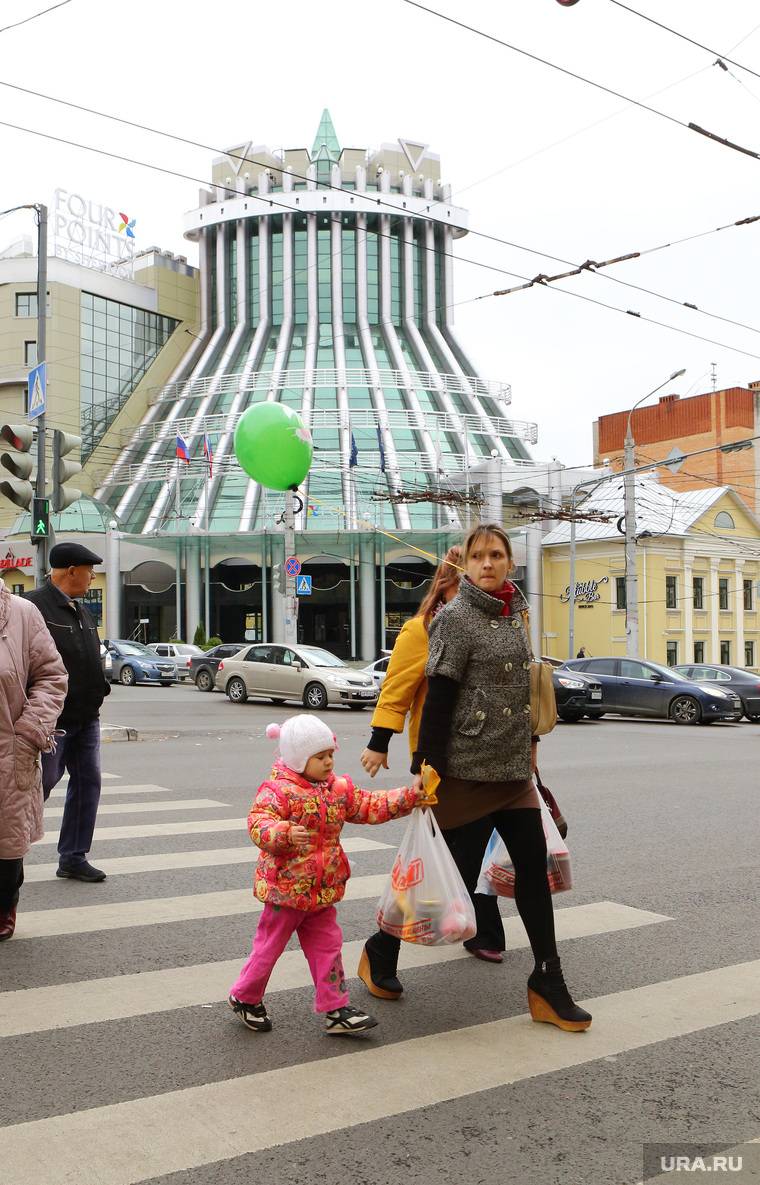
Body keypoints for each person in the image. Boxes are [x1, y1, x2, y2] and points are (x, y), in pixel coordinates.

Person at [409, 522, 592, 1031]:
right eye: (477, 556)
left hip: (511, 773)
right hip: (464, 771)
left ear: (510, 562)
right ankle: (380, 951)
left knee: (533, 867)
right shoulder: (455, 618)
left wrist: (530, 751)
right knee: (450, 877)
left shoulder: (515, 616)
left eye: (496, 554)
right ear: (464, 566)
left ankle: (548, 982)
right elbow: (440, 695)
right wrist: (426, 761)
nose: (487, 563)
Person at [358, 547, 507, 1003]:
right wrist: (379, 740)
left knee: (481, 850)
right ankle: (381, 948)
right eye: (464, 578)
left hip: (493, 759)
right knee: (445, 856)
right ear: (444, 583)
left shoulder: (498, 622)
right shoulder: (421, 629)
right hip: (442, 761)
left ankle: (481, 929)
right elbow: (398, 686)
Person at [228, 714, 426, 1036]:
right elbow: (258, 823)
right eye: (319, 757)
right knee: (269, 947)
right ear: (297, 759)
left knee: (328, 947)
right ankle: (245, 996)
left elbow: (369, 805)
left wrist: (409, 798)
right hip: (286, 891)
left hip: (321, 891)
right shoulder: (278, 791)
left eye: (330, 754)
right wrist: (284, 833)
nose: (329, 762)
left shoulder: (337, 790)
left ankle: (335, 1009)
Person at [26, 542, 111, 883]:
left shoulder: (82, 610)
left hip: (86, 716)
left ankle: (73, 857)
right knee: (39, 784)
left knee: (89, 782)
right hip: (50, 719)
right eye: (89, 570)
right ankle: (9, 853)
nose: (93, 576)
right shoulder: (32, 606)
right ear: (71, 570)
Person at [0, 578, 68, 940]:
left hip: (9, 747)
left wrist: (30, 729)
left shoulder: (22, 614)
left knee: (6, 840)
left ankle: (4, 904)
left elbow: (52, 676)